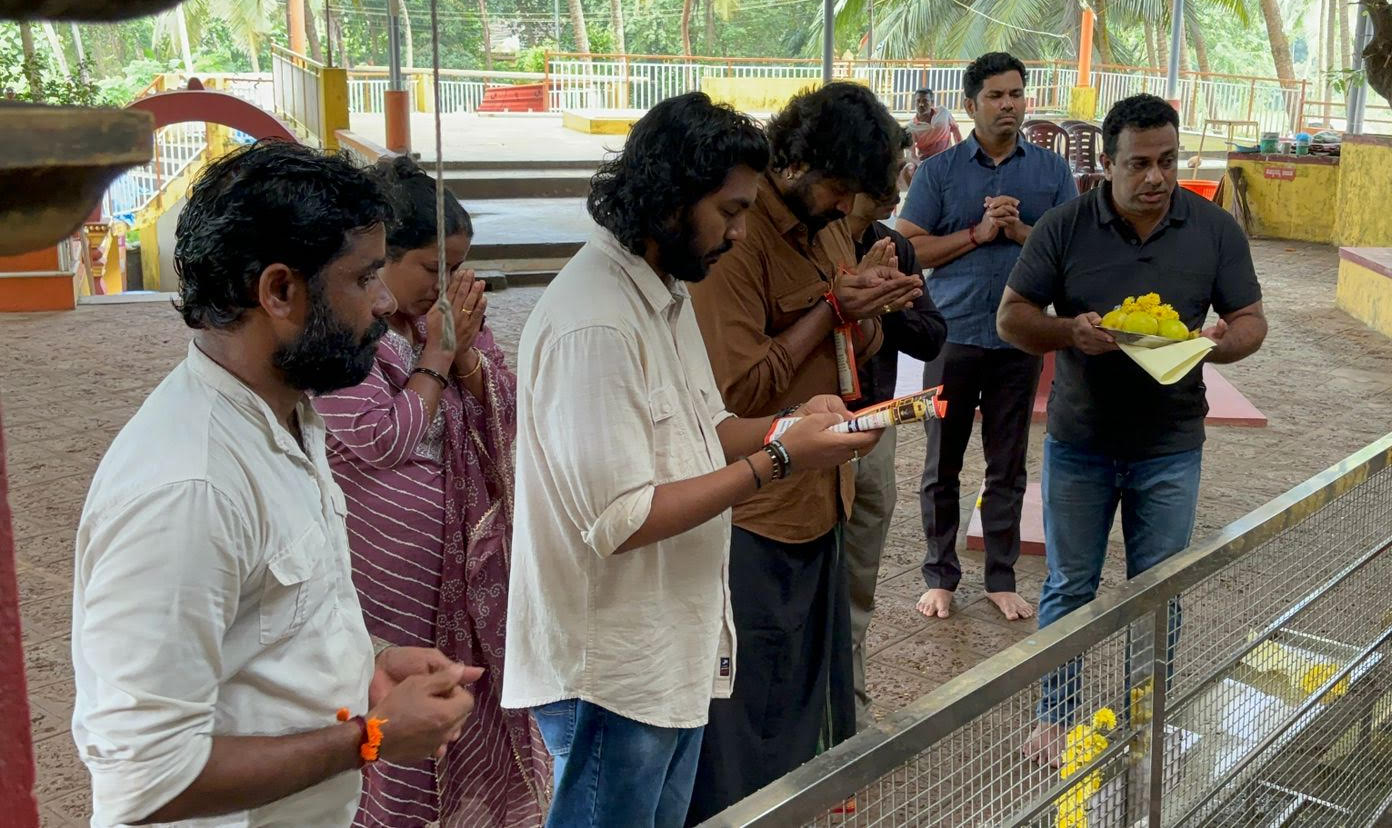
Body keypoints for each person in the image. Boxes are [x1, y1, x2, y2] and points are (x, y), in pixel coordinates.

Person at [71, 141, 479, 827]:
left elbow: (266, 624)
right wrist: (370, 739)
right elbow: (146, 780)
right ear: (280, 291)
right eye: (364, 278)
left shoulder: (288, 413)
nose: (384, 302)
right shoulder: (189, 488)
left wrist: (371, 661)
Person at [502, 92, 882, 828]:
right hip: (609, 674)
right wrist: (780, 459)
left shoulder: (665, 292)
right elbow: (622, 517)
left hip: (664, 654)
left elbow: (707, 427)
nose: (739, 233)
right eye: (729, 212)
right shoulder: (595, 322)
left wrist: (794, 424)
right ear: (671, 198)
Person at [996, 93, 1267, 757]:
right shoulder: (1064, 226)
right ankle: (1056, 717)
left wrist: (1218, 347)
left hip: (1171, 445)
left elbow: (1250, 320)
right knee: (1069, 586)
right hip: (1080, 441)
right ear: (1108, 163)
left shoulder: (1213, 229)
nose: (1156, 177)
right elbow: (1012, 318)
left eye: (1168, 161)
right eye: (1139, 163)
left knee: (1159, 591)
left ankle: (1145, 719)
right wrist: (1069, 331)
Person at [685, 82, 921, 822]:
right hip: (757, 511)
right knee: (746, 709)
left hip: (824, 495)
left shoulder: (831, 227)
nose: (846, 205)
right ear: (795, 161)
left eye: (857, 194)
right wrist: (830, 310)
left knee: (801, 700)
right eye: (838, 186)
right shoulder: (740, 242)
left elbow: (854, 345)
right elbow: (740, 391)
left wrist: (869, 307)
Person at [313, 155, 549, 827]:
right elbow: (380, 437)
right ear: (380, 258)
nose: (444, 288)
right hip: (385, 576)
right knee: (397, 714)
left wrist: (464, 352)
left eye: (458, 270)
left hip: (464, 577)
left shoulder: (441, 324)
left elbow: (506, 408)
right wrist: (441, 354)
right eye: (430, 268)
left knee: (461, 707)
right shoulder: (346, 334)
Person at [897, 51, 1077, 623]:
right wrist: (976, 234)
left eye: (1016, 94)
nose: (1008, 105)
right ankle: (940, 576)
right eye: (996, 96)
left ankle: (1001, 576)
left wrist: (1020, 231)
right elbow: (909, 250)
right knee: (941, 464)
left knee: (1007, 464)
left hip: (1019, 341)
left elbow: (1074, 253)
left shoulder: (1051, 173)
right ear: (970, 104)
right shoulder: (939, 172)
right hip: (951, 338)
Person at [838, 168, 947, 722]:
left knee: (859, 582)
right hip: (807, 431)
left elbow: (931, 335)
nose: (895, 183)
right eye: (881, 169)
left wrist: (885, 303)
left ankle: (850, 713)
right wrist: (847, 298)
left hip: (873, 428)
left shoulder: (895, 246)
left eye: (897, 168)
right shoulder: (809, 243)